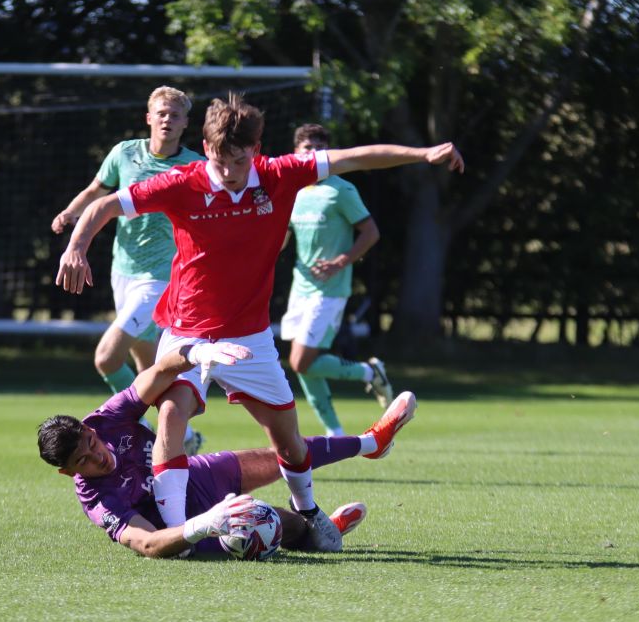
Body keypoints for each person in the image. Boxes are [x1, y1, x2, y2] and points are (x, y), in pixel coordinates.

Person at [55, 92, 462, 551]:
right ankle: (182, 532)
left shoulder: (278, 174)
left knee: (286, 442)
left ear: (257, 148)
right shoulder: (180, 182)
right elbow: (104, 205)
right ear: (206, 148)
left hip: (250, 336)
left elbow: (356, 158)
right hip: (187, 329)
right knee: (171, 414)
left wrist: (424, 153)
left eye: (241, 159)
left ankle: (308, 510)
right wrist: (77, 246)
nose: (231, 171)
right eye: (222, 160)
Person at [37, 340, 418, 559]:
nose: (96, 456)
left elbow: (155, 374)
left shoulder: (105, 420)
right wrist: (205, 524)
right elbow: (148, 544)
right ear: (68, 473)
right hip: (184, 525)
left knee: (281, 455)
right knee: (269, 523)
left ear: (89, 429)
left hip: (193, 474)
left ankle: (371, 442)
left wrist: (196, 353)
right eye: (82, 462)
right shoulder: (96, 499)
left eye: (91, 444)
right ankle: (318, 531)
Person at [51, 85, 206, 453]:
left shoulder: (195, 166)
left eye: (175, 114)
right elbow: (96, 191)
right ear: (149, 118)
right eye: (162, 113)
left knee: (107, 357)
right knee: (148, 367)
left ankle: (141, 432)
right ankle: (182, 438)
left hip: (162, 278)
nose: (167, 119)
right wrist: (72, 213)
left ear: (185, 123)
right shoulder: (124, 153)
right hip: (123, 271)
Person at [280, 122, 392, 437]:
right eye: (307, 148)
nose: (313, 153)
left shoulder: (341, 190)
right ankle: (335, 433)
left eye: (319, 148)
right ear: (295, 153)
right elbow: (282, 239)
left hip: (330, 291)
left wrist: (341, 261)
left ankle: (368, 371)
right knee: (303, 364)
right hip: (299, 289)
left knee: (301, 361)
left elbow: (371, 233)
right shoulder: (293, 192)